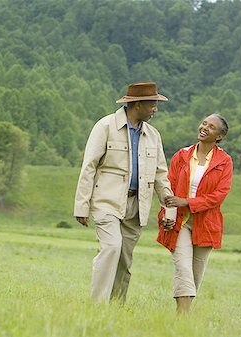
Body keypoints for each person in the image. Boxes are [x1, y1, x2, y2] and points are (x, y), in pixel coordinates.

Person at [74, 82, 173, 303]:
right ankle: (97, 306)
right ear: (138, 104)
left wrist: (169, 208)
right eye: (153, 104)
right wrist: (81, 205)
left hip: (137, 206)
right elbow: (89, 166)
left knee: (124, 260)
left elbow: (160, 174)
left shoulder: (153, 135)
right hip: (106, 201)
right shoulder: (105, 126)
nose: (155, 109)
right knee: (111, 247)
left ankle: (118, 308)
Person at [157, 114, 233, 314]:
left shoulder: (224, 161)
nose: (204, 128)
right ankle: (183, 321)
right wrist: (167, 213)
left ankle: (180, 315)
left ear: (219, 136)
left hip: (206, 224)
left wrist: (188, 202)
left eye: (211, 127)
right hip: (180, 221)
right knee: (183, 269)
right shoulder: (181, 155)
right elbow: (168, 188)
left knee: (195, 275)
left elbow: (219, 196)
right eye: (204, 123)